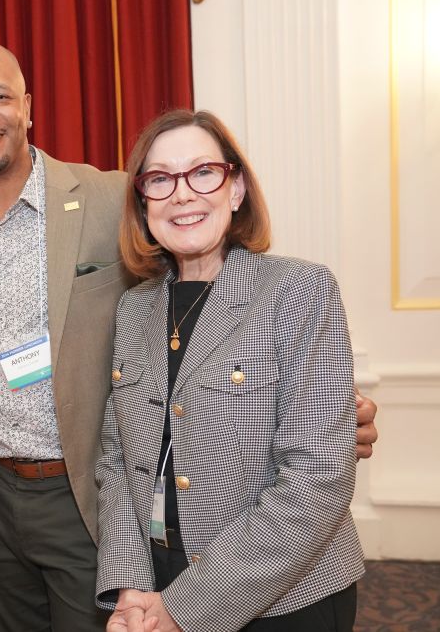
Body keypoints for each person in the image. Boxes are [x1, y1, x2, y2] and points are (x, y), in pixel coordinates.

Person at [0, 39, 378, 631]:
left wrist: (345, 413)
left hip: (83, 497)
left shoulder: (111, 197)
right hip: (4, 497)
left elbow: (292, 428)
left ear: (28, 107)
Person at [95, 109, 364, 631]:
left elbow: (318, 477)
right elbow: (118, 461)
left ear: (235, 187)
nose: (181, 193)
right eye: (160, 179)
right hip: (161, 580)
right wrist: (133, 587)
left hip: (283, 596)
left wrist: (188, 609)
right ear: (143, 202)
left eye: (202, 172)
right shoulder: (134, 309)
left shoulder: (299, 292)